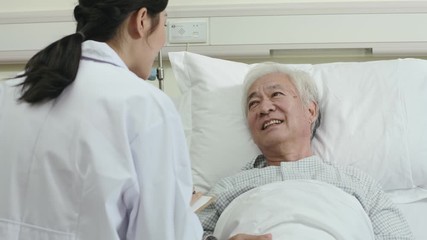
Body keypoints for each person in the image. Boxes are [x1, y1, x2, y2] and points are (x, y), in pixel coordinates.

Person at [0, 0, 203, 239]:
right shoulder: (146, 106)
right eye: (165, 25)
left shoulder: (9, 91)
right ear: (141, 20)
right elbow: (164, 233)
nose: (163, 40)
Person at [198, 63, 414, 240]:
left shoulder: (359, 184)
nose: (264, 108)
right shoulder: (225, 188)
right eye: (253, 104)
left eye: (276, 94)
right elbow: (182, 233)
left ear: (310, 110)